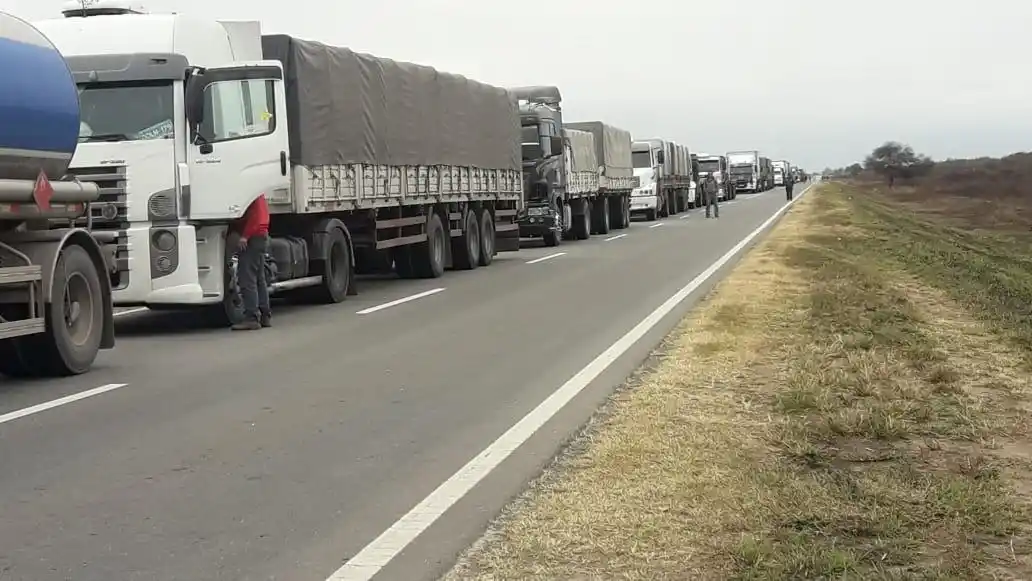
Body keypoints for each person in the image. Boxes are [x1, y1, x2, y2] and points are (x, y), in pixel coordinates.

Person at [232, 194, 271, 331]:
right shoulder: (259, 194)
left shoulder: (253, 194)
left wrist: (245, 236)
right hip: (260, 237)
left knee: (247, 279)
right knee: (259, 279)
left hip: (253, 238)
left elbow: (256, 218)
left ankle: (252, 318)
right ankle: (264, 315)